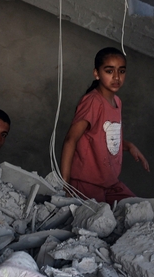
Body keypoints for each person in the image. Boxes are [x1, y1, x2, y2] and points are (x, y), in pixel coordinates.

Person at [61, 47, 149, 204]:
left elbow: (104, 139)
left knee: (140, 209)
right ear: (96, 73)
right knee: (99, 223)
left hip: (110, 183)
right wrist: (65, 185)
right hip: (86, 183)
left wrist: (128, 146)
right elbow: (70, 139)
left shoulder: (118, 102)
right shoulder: (93, 102)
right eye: (109, 71)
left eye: (121, 71)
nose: (116, 77)